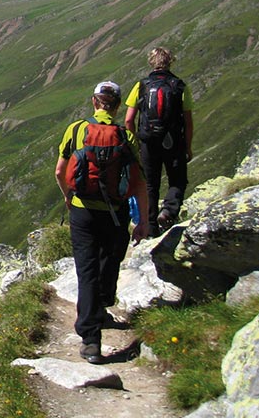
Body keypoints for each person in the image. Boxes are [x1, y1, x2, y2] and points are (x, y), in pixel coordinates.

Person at [55, 81, 148, 364]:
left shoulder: (76, 130)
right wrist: (143, 221)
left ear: (95, 102)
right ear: (118, 106)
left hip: (82, 212)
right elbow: (139, 183)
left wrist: (69, 197)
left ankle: (91, 339)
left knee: (87, 271)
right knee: (109, 261)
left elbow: (60, 171)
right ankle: (102, 305)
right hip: (115, 213)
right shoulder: (125, 136)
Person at [124, 47, 194, 235]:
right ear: (170, 62)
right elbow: (188, 122)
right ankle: (169, 211)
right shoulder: (180, 86)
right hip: (174, 141)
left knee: (150, 184)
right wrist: (187, 147)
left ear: (151, 63)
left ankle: (151, 228)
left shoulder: (142, 86)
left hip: (147, 142)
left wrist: (136, 144)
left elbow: (129, 120)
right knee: (177, 179)